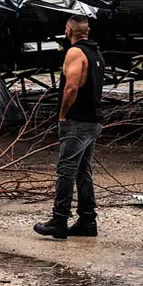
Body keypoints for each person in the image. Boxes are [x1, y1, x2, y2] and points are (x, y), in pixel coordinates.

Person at [36, 14, 104, 240]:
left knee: (66, 170)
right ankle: (87, 221)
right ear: (88, 31)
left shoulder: (75, 52)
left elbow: (71, 87)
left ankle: (59, 220)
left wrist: (63, 115)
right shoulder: (96, 53)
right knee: (83, 171)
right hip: (93, 120)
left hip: (77, 121)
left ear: (67, 30)